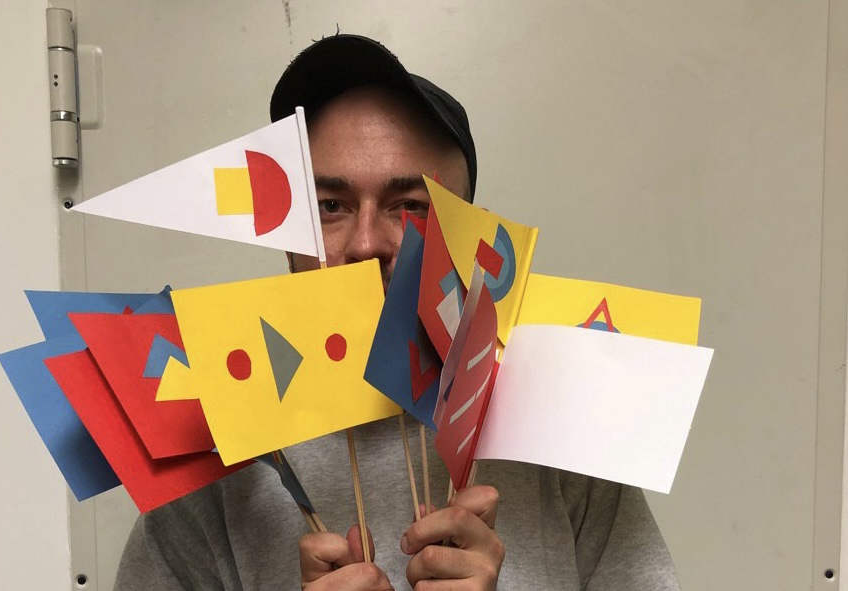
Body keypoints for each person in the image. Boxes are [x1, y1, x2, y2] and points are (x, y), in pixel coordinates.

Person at [114, 34, 681, 591]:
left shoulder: (560, 423)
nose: (365, 244)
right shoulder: (210, 440)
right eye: (329, 206)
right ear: (287, 240)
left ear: (472, 239)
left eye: (409, 206)